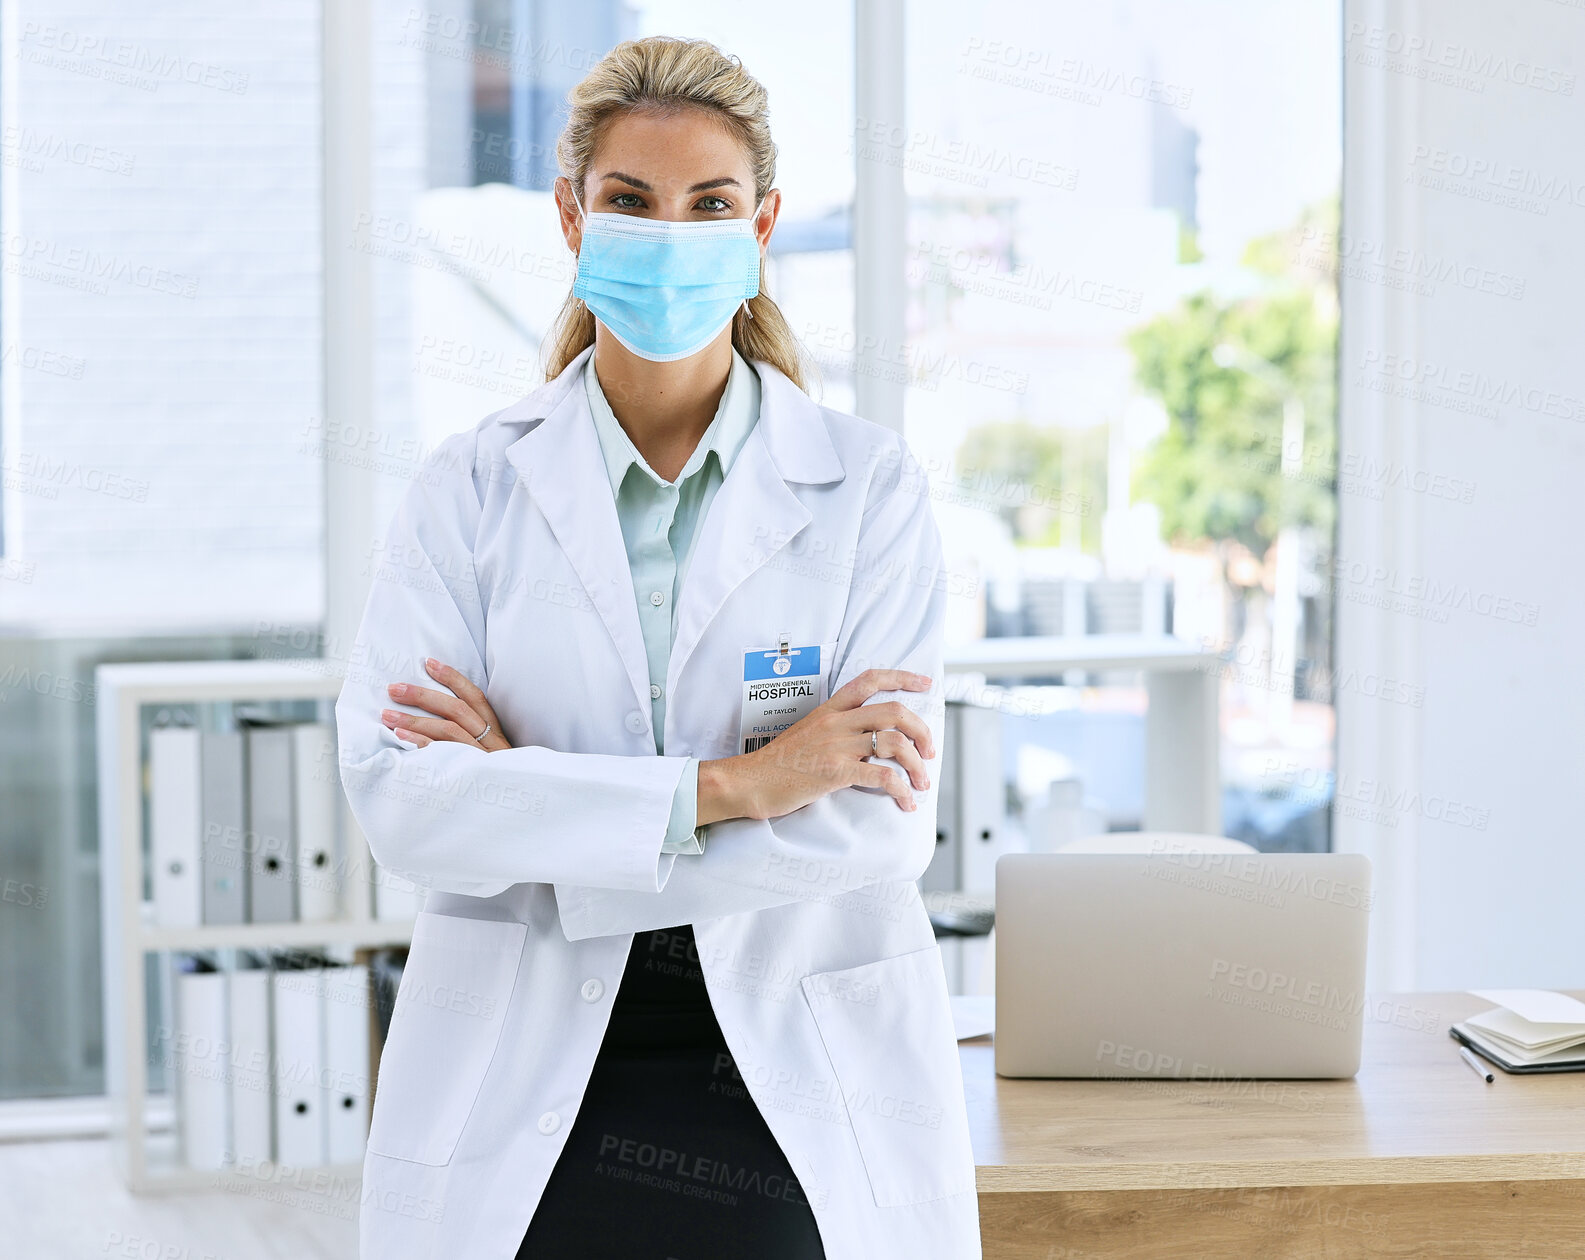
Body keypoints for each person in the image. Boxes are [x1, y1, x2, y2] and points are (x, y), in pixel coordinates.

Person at [336, 35, 982, 1260]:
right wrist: (739, 788)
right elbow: (405, 807)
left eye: (711, 204)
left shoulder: (865, 490)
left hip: (790, 1072)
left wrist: (538, 808)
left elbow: (875, 828)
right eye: (630, 202)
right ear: (572, 218)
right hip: (521, 1071)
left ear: (764, 225)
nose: (669, 235)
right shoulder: (469, 489)